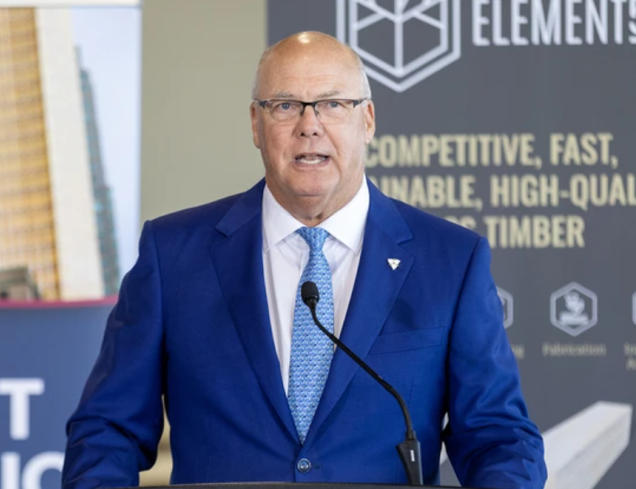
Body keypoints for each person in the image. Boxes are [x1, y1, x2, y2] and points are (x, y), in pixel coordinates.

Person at [62, 32, 546, 489]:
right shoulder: (172, 255)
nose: (309, 126)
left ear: (368, 120)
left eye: (333, 104)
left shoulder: (451, 261)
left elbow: (499, 438)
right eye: (285, 105)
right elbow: (107, 430)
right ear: (256, 124)